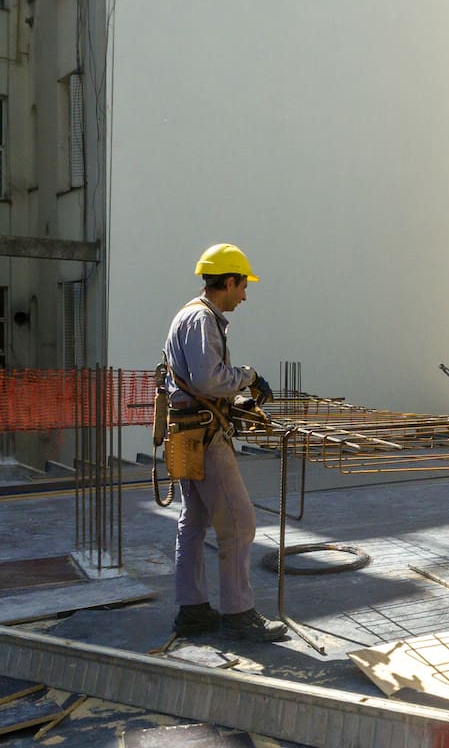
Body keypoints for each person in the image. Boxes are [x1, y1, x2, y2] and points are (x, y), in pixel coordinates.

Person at [164, 244, 286, 642]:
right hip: (205, 438)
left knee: (195, 521)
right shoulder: (202, 318)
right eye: (243, 286)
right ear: (229, 281)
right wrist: (248, 376)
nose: (245, 296)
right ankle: (238, 614)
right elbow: (208, 379)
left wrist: (236, 402)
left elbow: (199, 383)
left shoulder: (190, 315)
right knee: (238, 522)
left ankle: (193, 611)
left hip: (188, 433)